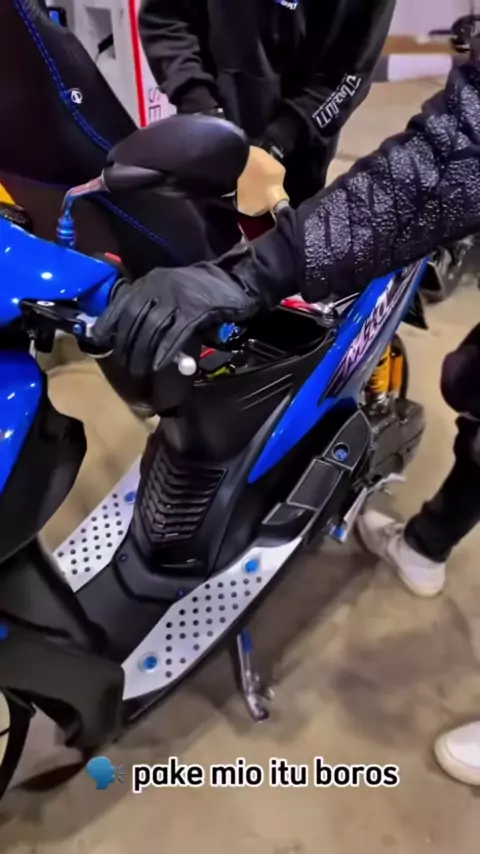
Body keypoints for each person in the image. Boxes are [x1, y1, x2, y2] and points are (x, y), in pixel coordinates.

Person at [93, 45, 480, 785]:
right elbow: (170, 23)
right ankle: (425, 544)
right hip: (226, 157)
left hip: (294, 160)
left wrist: (271, 187)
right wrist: (209, 117)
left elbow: (452, 149)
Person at [138, 0, 396, 217]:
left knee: (284, 255)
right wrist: (199, 107)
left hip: (293, 163)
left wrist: (277, 142)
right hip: (205, 148)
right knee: (199, 251)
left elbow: (347, 75)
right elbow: (165, 17)